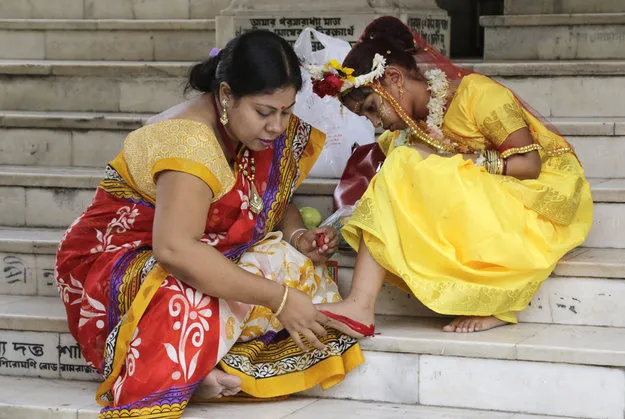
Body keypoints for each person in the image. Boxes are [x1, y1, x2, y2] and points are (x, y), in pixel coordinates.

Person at [54, 30, 363, 418]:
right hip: (119, 258)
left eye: (286, 111)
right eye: (265, 112)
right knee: (189, 300)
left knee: (294, 267)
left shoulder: (251, 131)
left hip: (196, 248)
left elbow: (266, 197)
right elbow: (175, 250)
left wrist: (298, 235)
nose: (278, 127)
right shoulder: (189, 142)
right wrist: (277, 299)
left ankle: (212, 361)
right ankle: (186, 376)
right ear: (226, 95)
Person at [311, 16, 593, 335]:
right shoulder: (411, 126)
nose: (375, 124)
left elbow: (529, 165)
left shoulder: (477, 95)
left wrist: (457, 161)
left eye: (373, 108)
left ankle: (365, 304)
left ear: (393, 78)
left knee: (406, 161)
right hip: (488, 202)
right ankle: (361, 305)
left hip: (535, 199)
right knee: (403, 163)